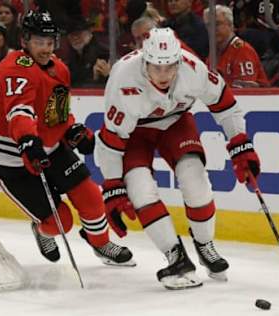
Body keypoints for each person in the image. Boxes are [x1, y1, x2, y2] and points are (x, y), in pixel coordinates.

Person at [95, 27, 261, 289]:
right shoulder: (123, 78)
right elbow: (112, 140)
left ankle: (205, 244)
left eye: (170, 67)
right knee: (140, 188)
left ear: (179, 60)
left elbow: (225, 104)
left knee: (194, 177)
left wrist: (240, 143)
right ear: (144, 61)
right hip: (135, 132)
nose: (164, 75)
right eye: (156, 68)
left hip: (176, 122)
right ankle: (176, 256)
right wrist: (113, 185)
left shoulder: (192, 68)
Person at [0, 9, 135, 267]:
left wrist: (71, 131)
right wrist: (28, 141)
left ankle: (101, 244)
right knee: (60, 222)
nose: (46, 49)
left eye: (50, 42)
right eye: (39, 42)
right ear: (25, 41)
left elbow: (57, 113)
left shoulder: (59, 69)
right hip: (7, 156)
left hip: (45, 146)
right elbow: (19, 110)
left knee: (91, 198)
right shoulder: (15, 67)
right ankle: (41, 229)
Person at [203, 5, 269, 88]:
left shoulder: (242, 50)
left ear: (230, 25)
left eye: (217, 24)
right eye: (208, 25)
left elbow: (246, 89)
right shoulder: (214, 52)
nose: (212, 29)